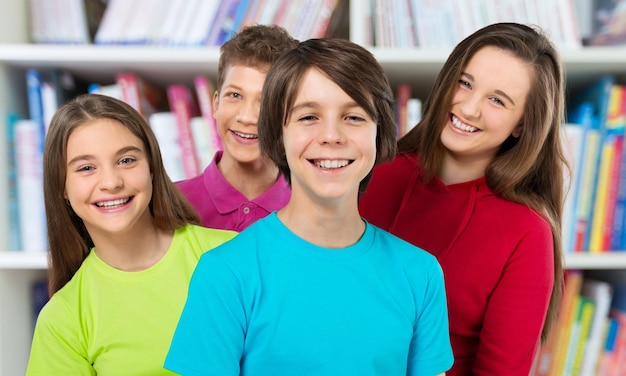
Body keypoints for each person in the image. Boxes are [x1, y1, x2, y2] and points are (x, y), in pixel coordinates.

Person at [165, 38, 453, 376]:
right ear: (278, 133)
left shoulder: (420, 274)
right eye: (308, 117)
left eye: (354, 117)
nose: (331, 135)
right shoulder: (225, 273)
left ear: (379, 132)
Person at [359, 23, 566, 375]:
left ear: (522, 124)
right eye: (465, 83)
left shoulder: (527, 233)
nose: (469, 108)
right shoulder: (370, 173)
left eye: (497, 100)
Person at [26, 94, 237, 375]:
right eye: (86, 168)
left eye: (126, 160)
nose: (112, 182)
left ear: (151, 168)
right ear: (62, 187)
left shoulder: (234, 258)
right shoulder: (62, 319)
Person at [176, 24, 298, 232]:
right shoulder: (172, 203)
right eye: (234, 95)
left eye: (265, 101)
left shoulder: (309, 211)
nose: (247, 117)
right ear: (216, 105)